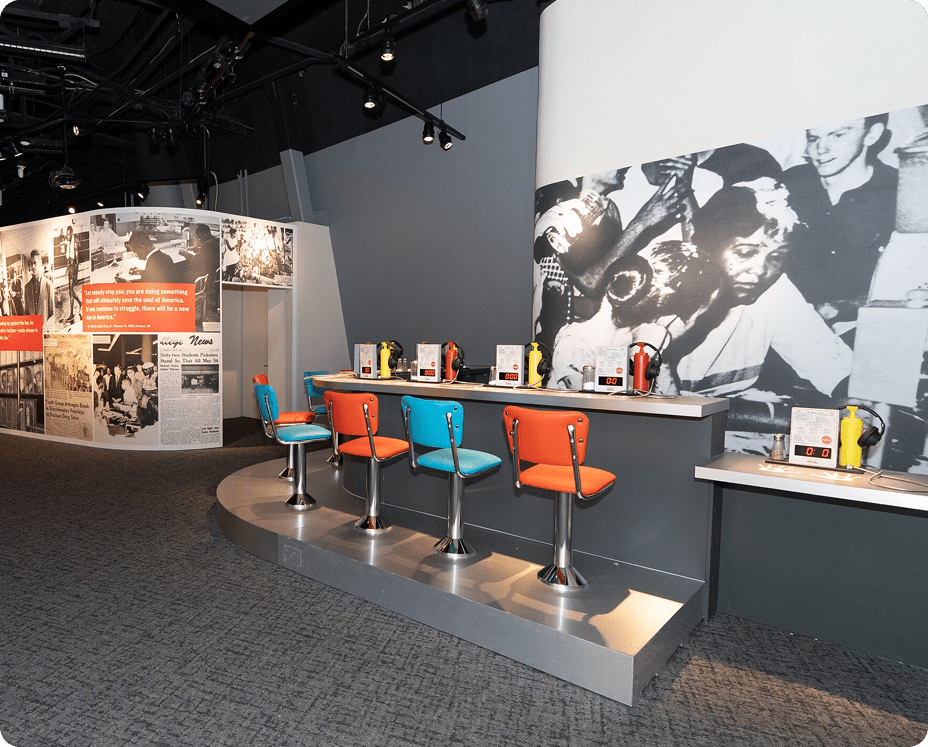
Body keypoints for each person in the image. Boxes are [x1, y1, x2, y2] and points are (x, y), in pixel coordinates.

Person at [666, 179, 853, 420]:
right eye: (745, 252)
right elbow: (662, 406)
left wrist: (857, 402)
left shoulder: (775, 291)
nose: (760, 270)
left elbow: (833, 368)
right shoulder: (667, 290)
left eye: (776, 257)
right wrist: (779, 418)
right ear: (707, 248)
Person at [782, 115, 896, 327]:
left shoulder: (898, 192)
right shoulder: (788, 185)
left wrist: (842, 308)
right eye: (813, 138)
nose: (821, 149)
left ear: (871, 134)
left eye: (838, 135)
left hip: (866, 325)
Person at [23, 250, 54, 323]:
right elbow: (26, 312)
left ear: (40, 263)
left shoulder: (48, 285)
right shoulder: (27, 287)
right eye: (31, 264)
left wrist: (47, 327)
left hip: (45, 327)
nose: (33, 266)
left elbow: (52, 312)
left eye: (35, 263)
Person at [63, 225, 81, 324]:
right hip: (70, 268)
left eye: (69, 234)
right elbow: (68, 259)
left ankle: (71, 314)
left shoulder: (74, 244)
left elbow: (77, 261)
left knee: (70, 290)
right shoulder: (69, 243)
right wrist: (67, 270)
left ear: (72, 233)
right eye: (67, 234)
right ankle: (80, 303)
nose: (68, 236)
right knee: (70, 290)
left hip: (73, 269)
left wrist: (76, 275)